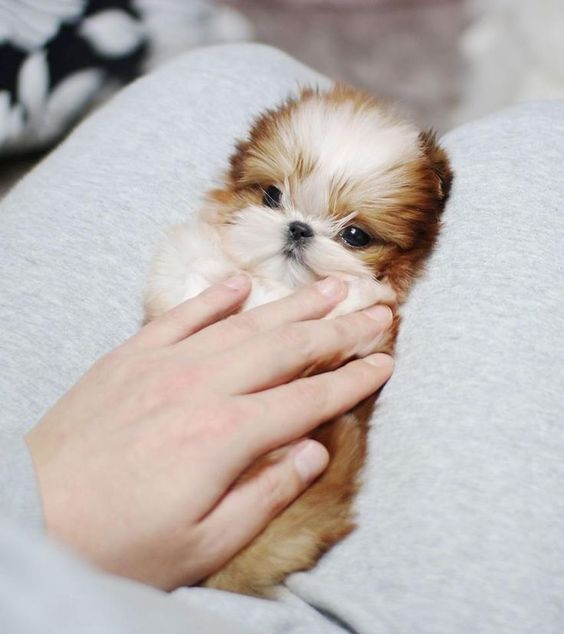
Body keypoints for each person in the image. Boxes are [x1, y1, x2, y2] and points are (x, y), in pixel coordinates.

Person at [0, 43, 563, 633]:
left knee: (230, 67)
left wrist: (34, 497)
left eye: (352, 233)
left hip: (32, 484)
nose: (296, 228)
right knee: (546, 139)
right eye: (272, 197)